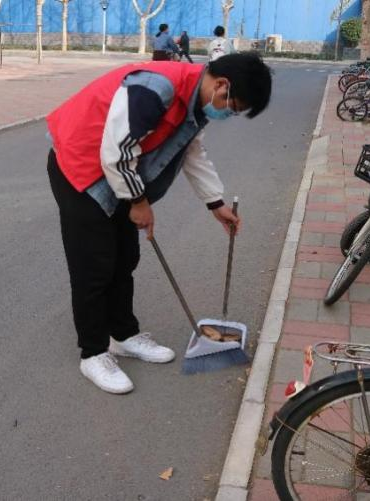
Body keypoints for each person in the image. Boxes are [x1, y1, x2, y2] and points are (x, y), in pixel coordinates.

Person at [46, 53, 273, 394]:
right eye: (233, 107)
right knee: (94, 266)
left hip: (117, 176)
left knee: (125, 258)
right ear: (222, 85)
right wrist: (139, 202)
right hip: (80, 168)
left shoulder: (195, 102)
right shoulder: (154, 89)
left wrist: (215, 203)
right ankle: (93, 352)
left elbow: (190, 151)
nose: (228, 114)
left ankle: (123, 335)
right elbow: (117, 152)